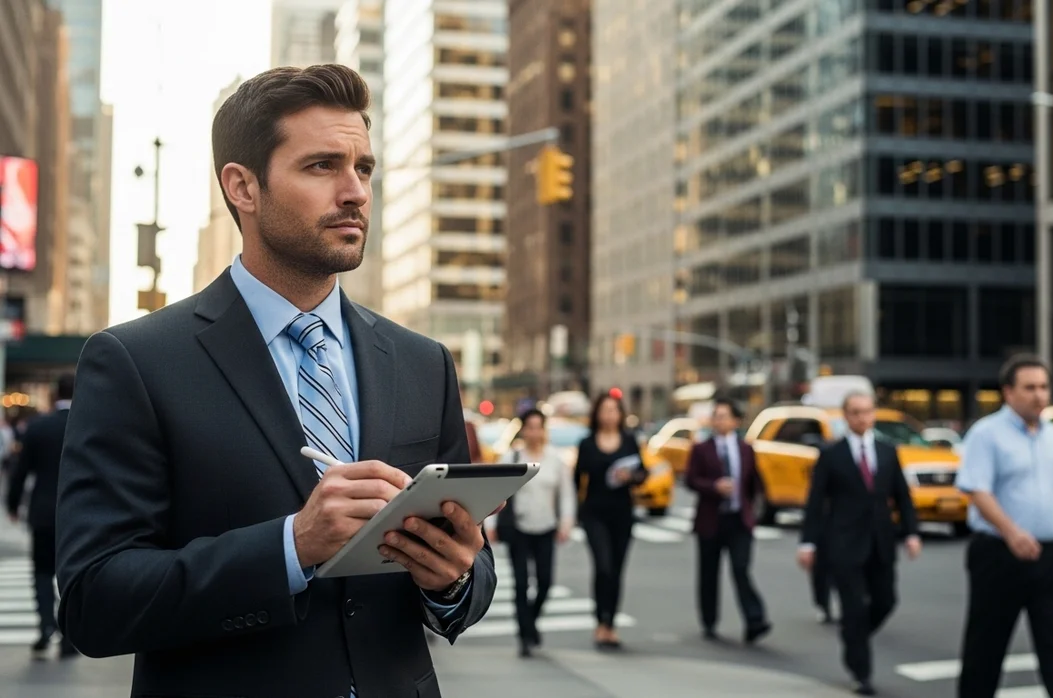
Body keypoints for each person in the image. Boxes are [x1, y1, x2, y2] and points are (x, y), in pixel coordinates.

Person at [53, 64, 495, 698]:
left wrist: (451, 580)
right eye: (322, 166)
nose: (356, 192)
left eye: (363, 168)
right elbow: (95, 602)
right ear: (243, 187)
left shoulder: (422, 361)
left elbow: (473, 578)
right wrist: (292, 546)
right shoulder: (135, 361)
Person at [955, 354, 1053, 698]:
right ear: (1008, 392)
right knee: (986, 649)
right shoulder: (987, 434)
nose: (1039, 395)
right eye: (1029, 388)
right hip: (999, 554)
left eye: (1044, 387)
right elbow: (977, 489)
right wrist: (1011, 531)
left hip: (1051, 557)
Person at [798, 387, 920, 696]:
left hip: (881, 540)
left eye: (867, 411)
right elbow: (815, 503)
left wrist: (911, 533)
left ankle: (854, 636)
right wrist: (807, 543)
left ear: (873, 414)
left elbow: (902, 497)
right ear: (846, 416)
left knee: (886, 601)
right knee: (852, 608)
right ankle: (861, 672)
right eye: (855, 412)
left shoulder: (887, 452)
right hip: (843, 543)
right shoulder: (831, 454)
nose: (862, 417)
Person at [484, 408, 576, 657]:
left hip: (546, 527)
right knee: (521, 584)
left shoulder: (556, 459)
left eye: (539, 426)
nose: (535, 432)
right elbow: (496, 493)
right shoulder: (511, 458)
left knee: (545, 582)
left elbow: (566, 494)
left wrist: (566, 522)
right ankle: (525, 635)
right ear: (523, 429)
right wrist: (490, 526)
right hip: (518, 529)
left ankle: (531, 622)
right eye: (530, 426)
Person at [683, 398, 770, 643]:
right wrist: (713, 486)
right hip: (711, 519)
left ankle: (755, 619)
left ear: (735, 420)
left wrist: (752, 511)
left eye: (723, 416)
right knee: (709, 573)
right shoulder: (701, 449)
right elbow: (691, 480)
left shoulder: (745, 449)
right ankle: (709, 620)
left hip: (738, 519)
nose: (718, 420)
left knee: (741, 568)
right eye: (715, 416)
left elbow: (754, 483)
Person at [5, 374, 78, 659]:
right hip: (78, 515)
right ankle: (68, 635)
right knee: (70, 573)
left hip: (43, 511)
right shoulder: (88, 425)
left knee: (42, 571)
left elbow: (20, 472)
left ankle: (45, 625)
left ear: (53, 395)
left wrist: (12, 505)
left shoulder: (38, 427)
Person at [575, 392, 648, 648]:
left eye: (614, 410)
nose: (609, 415)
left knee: (617, 570)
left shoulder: (629, 441)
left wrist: (632, 476)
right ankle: (599, 621)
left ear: (621, 414)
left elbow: (643, 473)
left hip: (622, 513)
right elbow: (577, 479)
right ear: (597, 413)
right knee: (603, 566)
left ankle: (610, 624)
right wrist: (575, 513)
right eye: (605, 410)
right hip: (594, 513)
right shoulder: (587, 443)